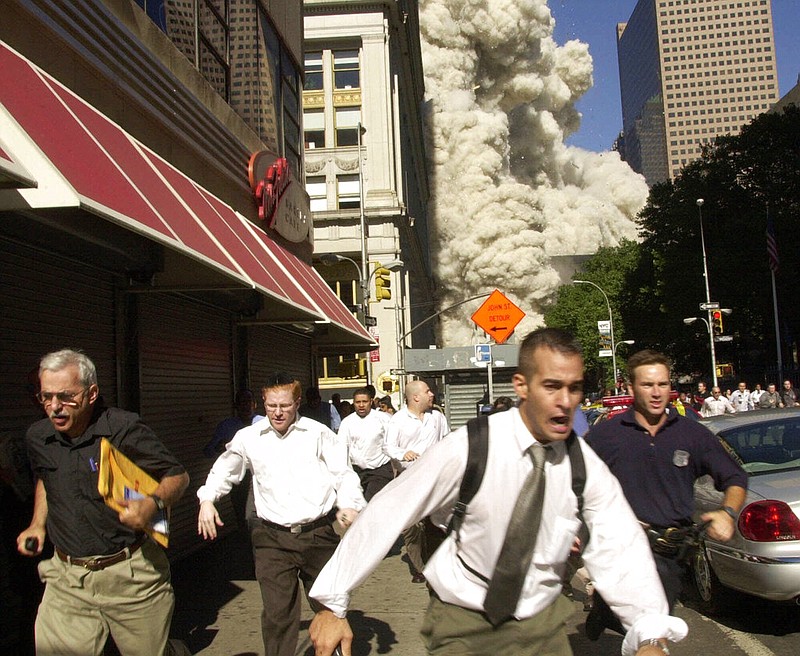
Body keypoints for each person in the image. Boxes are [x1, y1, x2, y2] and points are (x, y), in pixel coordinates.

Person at [307, 329, 688, 656]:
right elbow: (389, 510)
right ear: (521, 385)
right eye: (552, 386)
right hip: (463, 617)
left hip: (541, 618)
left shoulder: (583, 466)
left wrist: (649, 632)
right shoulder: (470, 447)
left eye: (574, 388)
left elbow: (620, 546)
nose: (565, 401)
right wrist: (332, 602)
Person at [16, 349, 190, 656]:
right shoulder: (38, 436)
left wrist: (152, 504)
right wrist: (37, 524)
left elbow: (177, 476)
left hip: (131, 576)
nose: (54, 407)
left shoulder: (123, 428)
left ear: (92, 393)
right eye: (46, 397)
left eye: (65, 397)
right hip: (67, 579)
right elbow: (46, 478)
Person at [197, 373, 366, 656]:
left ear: (297, 403)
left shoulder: (318, 433)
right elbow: (225, 470)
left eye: (285, 406)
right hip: (271, 539)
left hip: (317, 535)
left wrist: (349, 504)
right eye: (271, 405)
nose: (277, 412)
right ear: (263, 402)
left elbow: (343, 473)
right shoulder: (249, 438)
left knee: (331, 609)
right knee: (278, 618)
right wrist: (207, 500)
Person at [585, 350, 747, 640]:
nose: (657, 393)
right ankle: (613, 612)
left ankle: (606, 610)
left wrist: (728, 512)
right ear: (630, 388)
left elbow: (735, 477)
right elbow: (573, 484)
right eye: (648, 385)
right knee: (653, 635)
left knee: (645, 628)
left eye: (663, 384)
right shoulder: (605, 436)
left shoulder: (691, 434)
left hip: (669, 555)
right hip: (621, 551)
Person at [384, 380, 449, 583]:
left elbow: (447, 441)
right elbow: (388, 447)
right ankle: (420, 568)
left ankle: (437, 566)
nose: (432, 395)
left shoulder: (437, 417)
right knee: (412, 528)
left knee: (436, 524)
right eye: (427, 391)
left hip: (435, 480)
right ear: (415, 397)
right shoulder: (398, 420)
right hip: (408, 480)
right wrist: (404, 453)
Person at [337, 388, 393, 501]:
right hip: (357, 471)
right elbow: (342, 448)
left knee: (371, 502)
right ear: (354, 403)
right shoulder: (347, 422)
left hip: (379, 470)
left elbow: (392, 443)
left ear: (371, 402)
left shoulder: (384, 419)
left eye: (364, 402)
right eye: (358, 402)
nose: (361, 405)